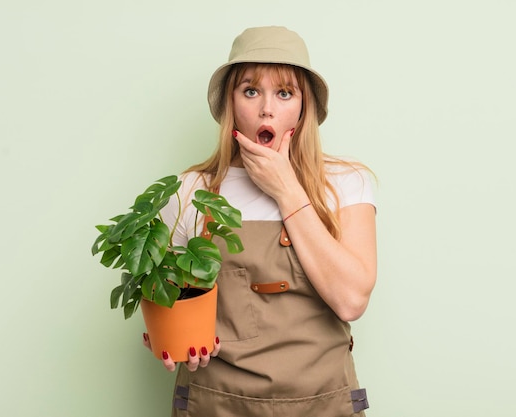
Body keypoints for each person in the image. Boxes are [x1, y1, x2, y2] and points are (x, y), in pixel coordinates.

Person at [142, 26, 377, 417]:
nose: (267, 108)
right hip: (216, 404)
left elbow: (352, 300)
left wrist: (287, 190)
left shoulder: (346, 184)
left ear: (304, 107)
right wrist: (169, 338)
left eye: (284, 93)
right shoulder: (191, 191)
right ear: (231, 104)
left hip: (324, 404)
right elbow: (170, 301)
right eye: (250, 91)